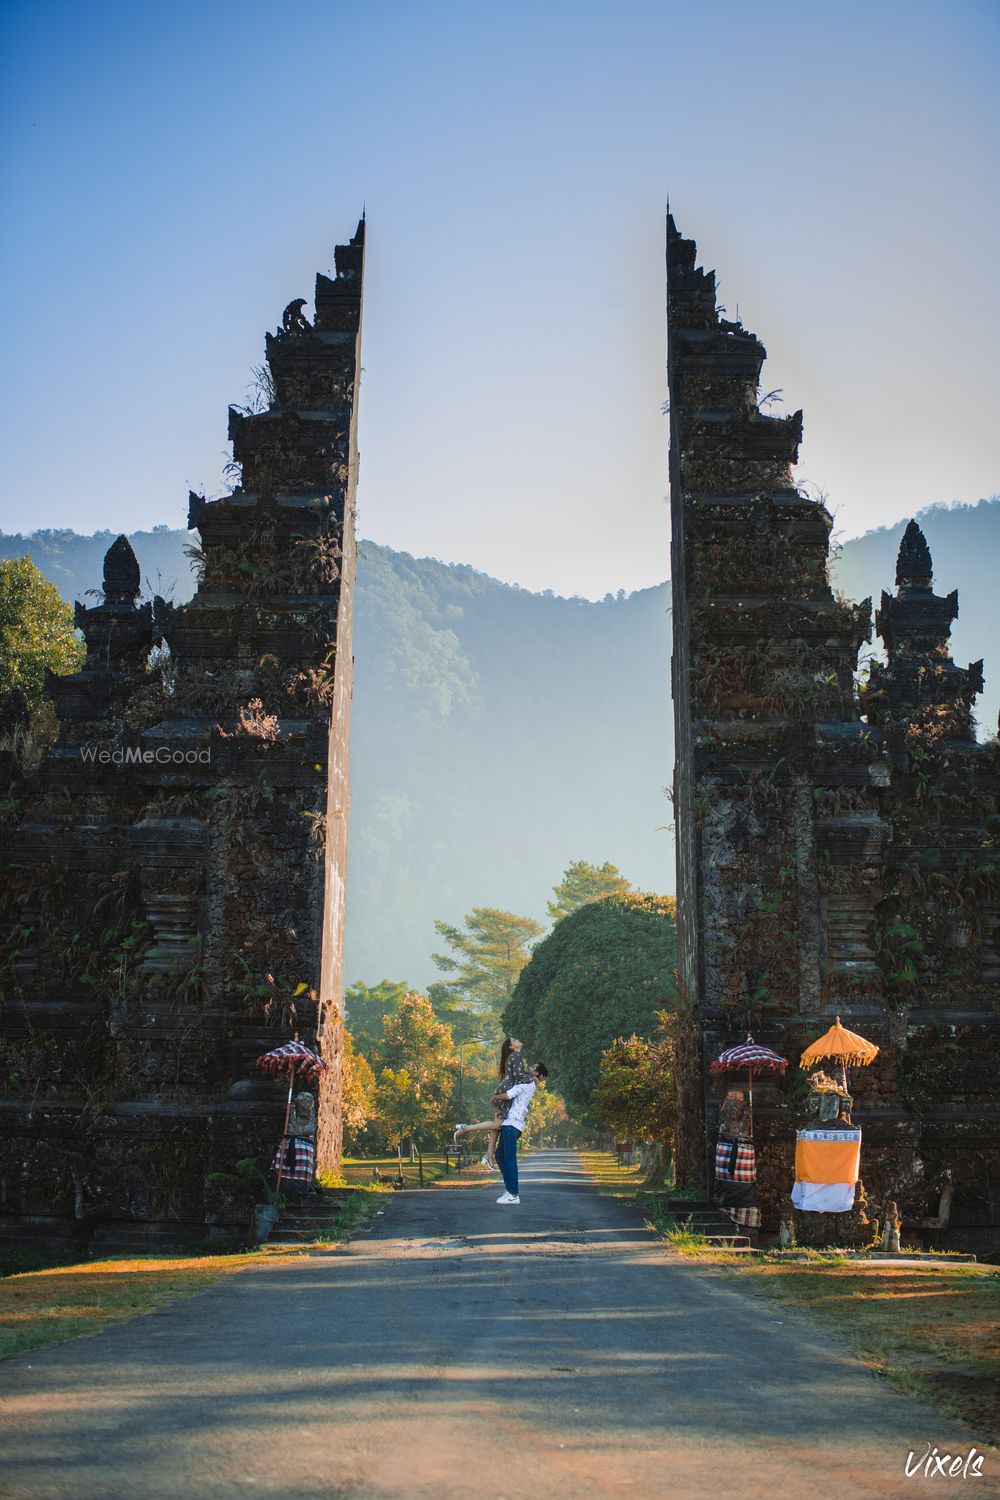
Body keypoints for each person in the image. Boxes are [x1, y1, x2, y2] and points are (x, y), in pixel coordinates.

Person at [453, 1037, 531, 1168]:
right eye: (515, 1040)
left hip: (503, 1092)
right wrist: (532, 1078)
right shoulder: (516, 1055)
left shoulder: (512, 1056)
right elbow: (518, 1077)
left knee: (497, 1125)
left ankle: (489, 1155)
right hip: (503, 1094)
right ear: (512, 1047)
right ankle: (465, 1128)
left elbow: (516, 1076)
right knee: (497, 1125)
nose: (518, 1040)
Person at [493, 1062, 548, 1205]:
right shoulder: (529, 1082)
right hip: (510, 1123)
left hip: (513, 1123)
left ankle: (513, 1193)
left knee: (509, 1158)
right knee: (500, 1156)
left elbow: (509, 1095)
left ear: (536, 1073)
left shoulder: (527, 1083)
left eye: (533, 1066)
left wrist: (496, 1097)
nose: (530, 1067)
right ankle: (509, 1189)